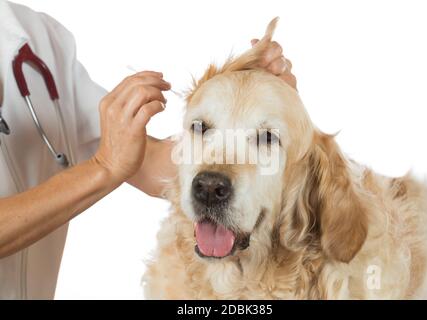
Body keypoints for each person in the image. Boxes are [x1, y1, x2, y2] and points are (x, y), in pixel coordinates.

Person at [0, 0, 297, 299]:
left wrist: (265, 116)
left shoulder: (38, 38)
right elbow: (112, 161)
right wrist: (103, 169)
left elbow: (150, 164)